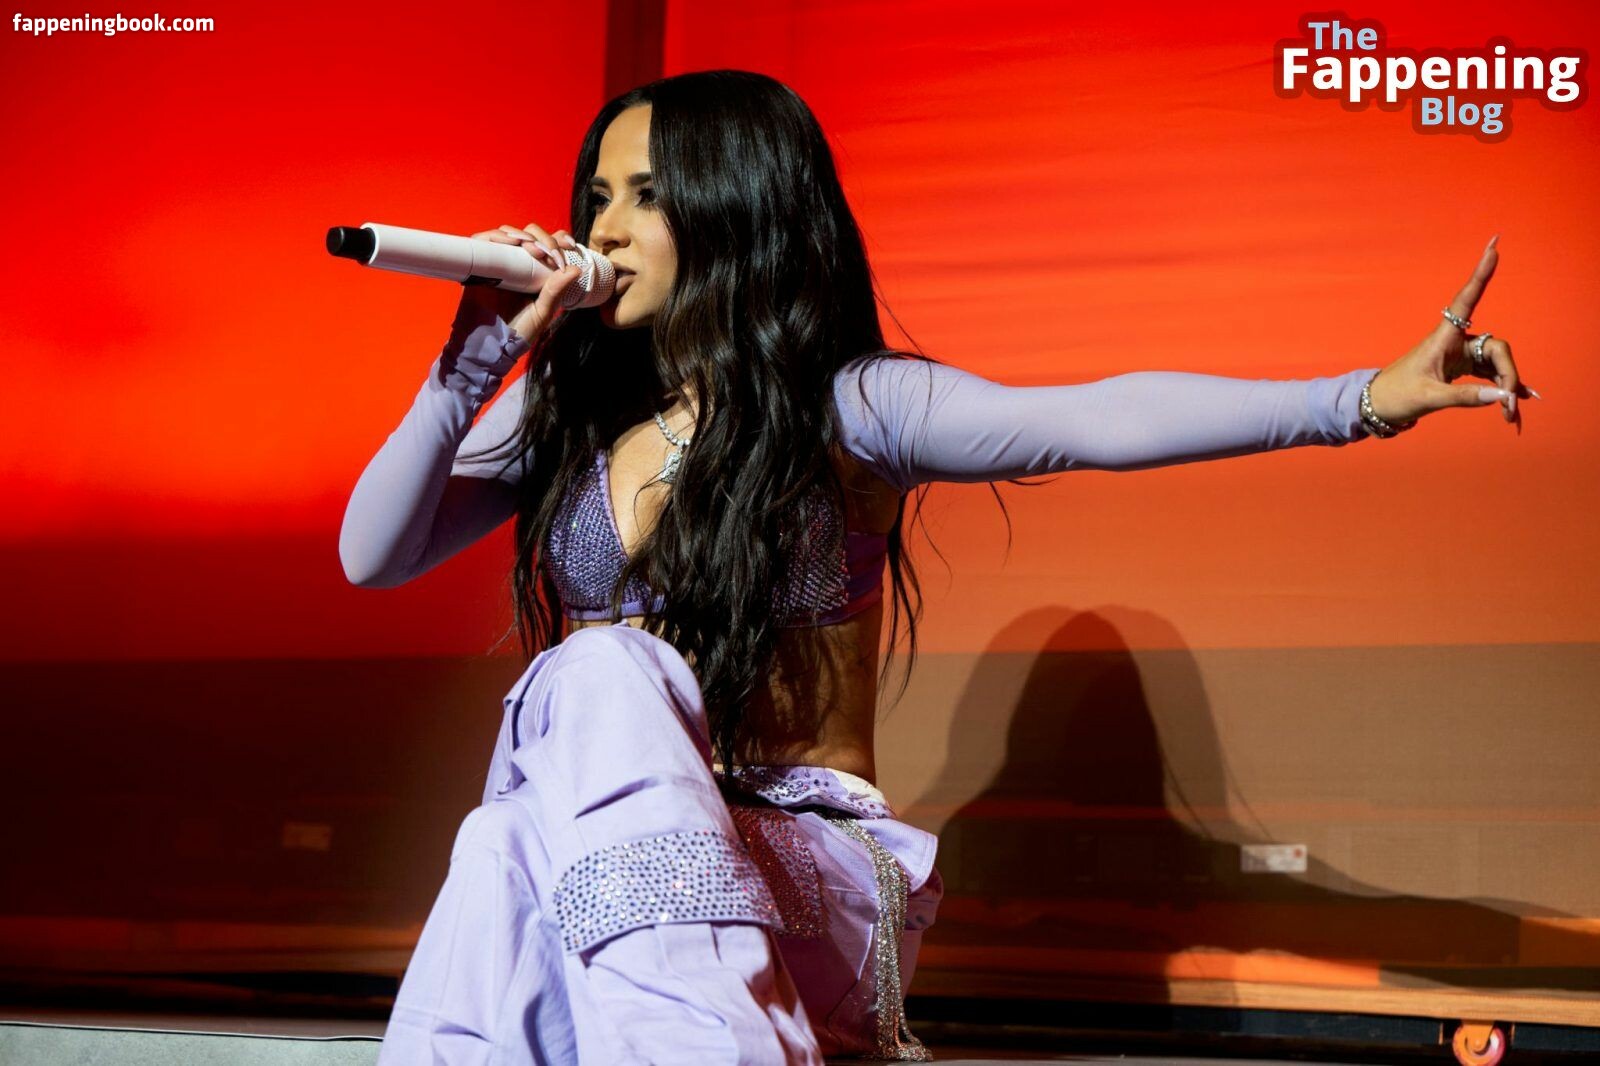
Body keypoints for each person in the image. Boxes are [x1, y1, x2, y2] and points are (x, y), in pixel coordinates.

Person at [339, 69, 1530, 1065]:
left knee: (600, 669)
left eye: (646, 196)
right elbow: (371, 553)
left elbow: (1091, 420)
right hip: (623, 900)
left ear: (736, 205)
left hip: (806, 877)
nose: (600, 230)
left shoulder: (848, 406)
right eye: (596, 195)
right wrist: (469, 362)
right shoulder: (570, 416)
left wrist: (1361, 398)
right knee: (499, 841)